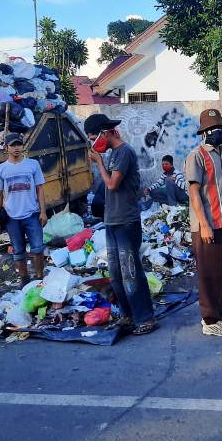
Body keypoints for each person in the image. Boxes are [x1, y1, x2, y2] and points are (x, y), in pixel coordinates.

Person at [84, 113, 158, 336]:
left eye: (92, 137)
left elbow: (112, 184)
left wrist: (98, 163)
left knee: (131, 272)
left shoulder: (124, 152)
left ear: (104, 133)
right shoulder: (114, 154)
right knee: (116, 274)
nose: (92, 143)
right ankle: (127, 315)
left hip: (126, 221)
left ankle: (145, 318)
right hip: (112, 221)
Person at [185, 109, 222, 336]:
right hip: (206, 225)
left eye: (221, 129)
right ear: (204, 133)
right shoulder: (196, 156)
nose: (219, 133)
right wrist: (205, 225)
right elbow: (194, 193)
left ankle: (219, 311)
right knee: (208, 274)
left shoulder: (221, 154)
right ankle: (210, 321)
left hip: (221, 222)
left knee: (218, 271)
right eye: (215, 129)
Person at [0, 133, 48, 287]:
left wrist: (43, 212)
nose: (16, 148)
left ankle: (39, 277)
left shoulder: (33, 165)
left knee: (37, 248)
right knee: (18, 251)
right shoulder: (0, 169)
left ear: (23, 146)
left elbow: (40, 190)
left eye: (19, 144)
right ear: (6, 148)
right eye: (13, 145)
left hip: (32, 214)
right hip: (11, 217)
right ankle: (24, 281)